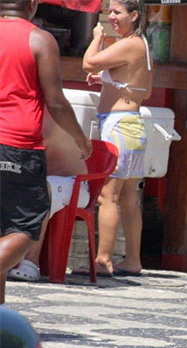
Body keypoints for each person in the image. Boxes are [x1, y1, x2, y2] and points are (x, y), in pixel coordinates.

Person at [0, 0, 91, 304]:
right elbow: (56, 102)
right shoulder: (39, 39)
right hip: (17, 147)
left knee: (3, 236)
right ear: (33, 5)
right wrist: (81, 138)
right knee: (28, 228)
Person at [81, 0, 153, 277]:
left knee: (107, 197)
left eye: (117, 12)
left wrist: (97, 39)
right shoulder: (143, 46)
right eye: (109, 11)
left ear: (134, 15)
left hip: (119, 127)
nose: (111, 16)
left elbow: (88, 63)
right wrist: (109, 81)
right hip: (132, 125)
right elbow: (143, 90)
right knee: (128, 198)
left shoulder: (127, 43)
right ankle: (132, 259)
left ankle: (102, 259)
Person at [8, 111, 91, 282]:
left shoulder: (48, 115)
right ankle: (9, 260)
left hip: (75, 184)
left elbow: (23, 154)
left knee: (41, 190)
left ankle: (31, 262)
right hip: (39, 180)